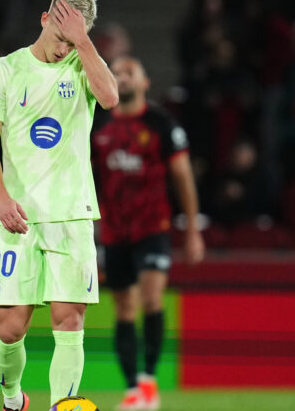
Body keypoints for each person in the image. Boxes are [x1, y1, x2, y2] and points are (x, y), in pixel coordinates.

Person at [0, 0, 119, 411]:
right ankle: (12, 397)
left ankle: (63, 404)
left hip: (72, 214)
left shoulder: (82, 64)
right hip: (19, 215)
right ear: (43, 19)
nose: (64, 50)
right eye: (61, 37)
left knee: (69, 320)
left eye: (72, 40)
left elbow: (111, 97)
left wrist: (83, 41)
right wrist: (1, 199)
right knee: (10, 329)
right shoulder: (5, 69)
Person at [91, 57, 205, 410]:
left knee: (152, 297)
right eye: (116, 73)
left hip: (153, 226)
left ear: (145, 83)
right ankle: (131, 390)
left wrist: (192, 229)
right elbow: (87, 175)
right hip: (114, 230)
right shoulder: (99, 124)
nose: (121, 78)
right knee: (124, 307)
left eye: (129, 73)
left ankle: (149, 381)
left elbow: (183, 176)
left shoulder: (161, 124)